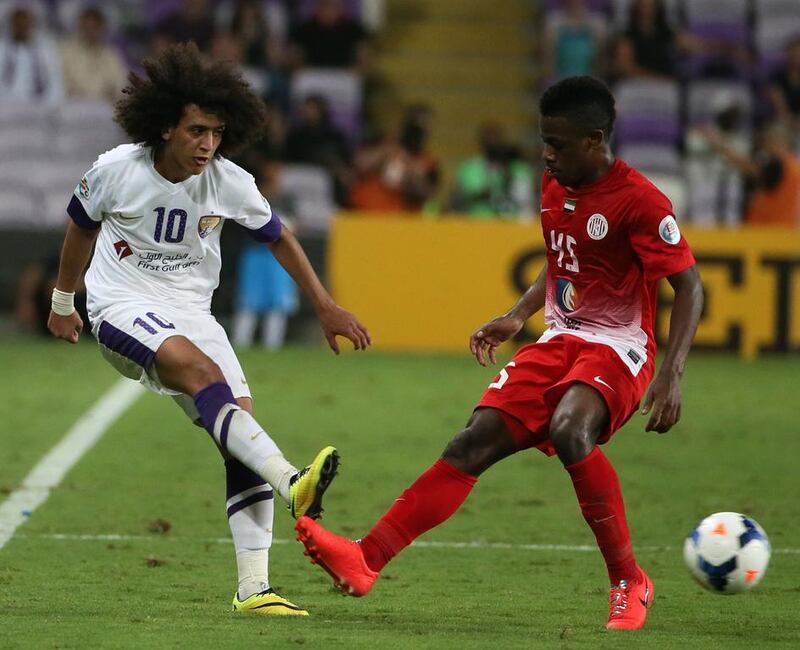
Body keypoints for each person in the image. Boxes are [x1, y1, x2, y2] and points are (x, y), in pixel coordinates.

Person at [295, 76, 704, 631]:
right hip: (560, 338)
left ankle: (630, 580)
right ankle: (366, 559)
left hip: (620, 346)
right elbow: (564, 259)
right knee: (472, 441)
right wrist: (518, 314)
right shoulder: (555, 183)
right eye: (544, 141)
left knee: (569, 428)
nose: (546, 153)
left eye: (558, 144)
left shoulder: (641, 201)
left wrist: (673, 373)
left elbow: (691, 287)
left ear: (595, 139)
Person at [47, 43, 371, 617]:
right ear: (166, 125)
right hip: (121, 304)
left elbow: (280, 236)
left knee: (236, 426)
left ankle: (254, 588)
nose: (208, 144)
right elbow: (79, 228)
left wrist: (324, 305)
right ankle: (293, 481)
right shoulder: (116, 169)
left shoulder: (228, 180)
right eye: (197, 130)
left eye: (217, 132)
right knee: (201, 375)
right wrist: (63, 300)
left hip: (192, 310)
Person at [700, 122, 800, 227]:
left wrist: (721, 147)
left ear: (779, 141)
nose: (765, 146)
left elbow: (749, 167)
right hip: (786, 229)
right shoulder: (794, 166)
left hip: (769, 229)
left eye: (768, 141)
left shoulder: (779, 165)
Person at [60, 6, 128, 103]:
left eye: (94, 27)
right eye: (86, 27)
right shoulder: (66, 52)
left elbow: (121, 84)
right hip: (75, 107)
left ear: (102, 28)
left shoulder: (111, 54)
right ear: (80, 27)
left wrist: (112, 92)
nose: (90, 32)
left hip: (106, 107)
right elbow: (61, 84)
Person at [0, 4, 64, 105]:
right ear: (11, 24)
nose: (21, 26)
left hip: (39, 107)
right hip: (5, 107)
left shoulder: (45, 49)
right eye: (17, 23)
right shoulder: (2, 48)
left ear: (31, 24)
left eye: (24, 22)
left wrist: (52, 103)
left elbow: (55, 82)